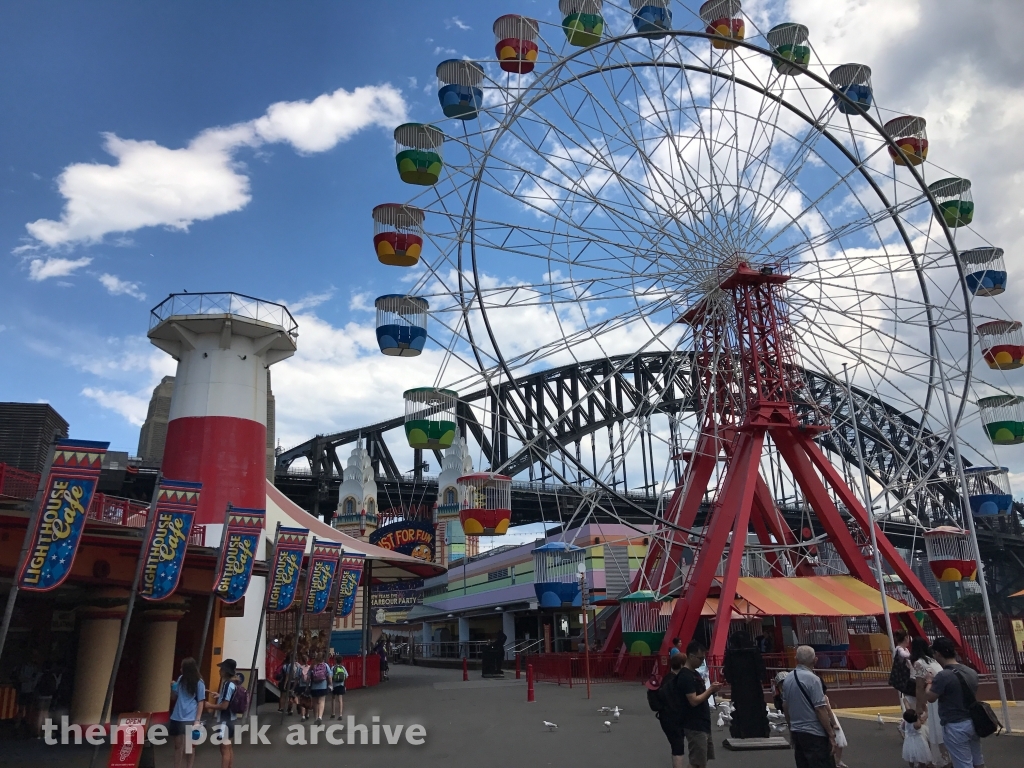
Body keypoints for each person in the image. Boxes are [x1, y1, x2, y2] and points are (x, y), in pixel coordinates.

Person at [925, 637, 984, 768]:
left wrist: (929, 681)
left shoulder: (943, 676)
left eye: (934, 653)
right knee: (977, 760)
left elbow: (930, 697)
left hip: (955, 724)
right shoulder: (971, 672)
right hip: (974, 721)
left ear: (938, 654)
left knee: (963, 763)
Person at [781, 645, 838, 768]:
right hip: (814, 732)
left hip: (797, 731)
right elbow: (820, 708)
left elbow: (785, 706)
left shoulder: (788, 678)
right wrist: (830, 733)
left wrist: (791, 728)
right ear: (815, 660)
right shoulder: (813, 680)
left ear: (796, 658)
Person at [677, 641, 723, 768]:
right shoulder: (685, 676)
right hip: (694, 725)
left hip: (702, 723)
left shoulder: (694, 674)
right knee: (697, 763)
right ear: (691, 656)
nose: (702, 661)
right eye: (700, 658)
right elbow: (693, 700)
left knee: (701, 761)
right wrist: (710, 690)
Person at [722, 631, 769, 739]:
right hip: (754, 686)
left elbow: (727, 671)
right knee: (757, 708)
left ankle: (741, 731)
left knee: (740, 709)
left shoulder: (732, 652)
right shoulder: (753, 651)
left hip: (738, 686)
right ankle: (760, 731)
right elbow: (761, 669)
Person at [911, 637, 949, 767]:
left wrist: (919, 707)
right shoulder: (934, 661)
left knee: (935, 729)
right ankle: (947, 757)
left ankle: (941, 759)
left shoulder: (919, 663)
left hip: (933, 698)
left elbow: (919, 687)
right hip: (942, 696)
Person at [648, 654, 688, 768]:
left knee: (676, 745)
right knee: (678, 747)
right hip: (675, 718)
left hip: (665, 717)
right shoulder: (677, 681)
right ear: (681, 665)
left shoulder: (666, 679)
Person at [168, 657, 205, 768]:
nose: (180, 669)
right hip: (177, 716)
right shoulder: (180, 679)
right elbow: (174, 697)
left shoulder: (199, 682)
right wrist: (173, 688)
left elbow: (201, 701)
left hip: (190, 717)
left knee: (190, 747)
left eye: (182, 667)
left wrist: (197, 720)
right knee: (178, 747)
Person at [207, 659, 238, 768]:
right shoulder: (233, 684)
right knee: (229, 747)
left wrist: (209, 705)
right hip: (232, 719)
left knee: (224, 749)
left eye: (221, 669)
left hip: (225, 720)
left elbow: (224, 706)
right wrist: (219, 695)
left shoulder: (227, 684)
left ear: (225, 671)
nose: (220, 671)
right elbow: (228, 700)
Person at [821, 681, 848, 768]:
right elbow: (828, 710)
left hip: (823, 717)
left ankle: (837, 761)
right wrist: (834, 723)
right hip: (828, 718)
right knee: (838, 739)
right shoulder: (823, 697)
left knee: (837, 740)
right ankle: (837, 761)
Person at [308, 652, 331, 725]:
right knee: (321, 701)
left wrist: (307, 686)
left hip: (314, 686)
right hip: (323, 686)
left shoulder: (313, 666)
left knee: (315, 703)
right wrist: (330, 684)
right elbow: (329, 676)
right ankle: (320, 717)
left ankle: (315, 718)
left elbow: (308, 677)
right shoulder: (325, 665)